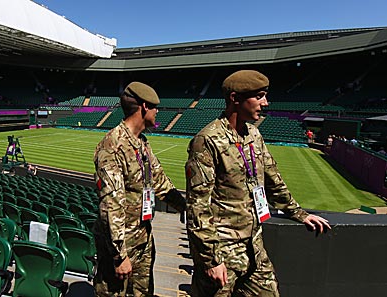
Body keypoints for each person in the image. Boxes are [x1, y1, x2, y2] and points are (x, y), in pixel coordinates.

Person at [185, 70, 331, 297]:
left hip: (253, 245)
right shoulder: (207, 141)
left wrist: (300, 214)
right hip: (221, 248)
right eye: (260, 96)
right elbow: (197, 207)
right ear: (235, 99)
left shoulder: (254, 134)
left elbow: (273, 180)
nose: (266, 102)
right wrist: (211, 259)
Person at [93, 81, 186, 297]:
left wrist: (187, 208)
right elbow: (111, 205)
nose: (157, 112)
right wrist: (119, 255)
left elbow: (161, 184)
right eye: (155, 107)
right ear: (144, 107)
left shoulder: (141, 143)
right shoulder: (113, 146)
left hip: (143, 241)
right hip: (121, 248)